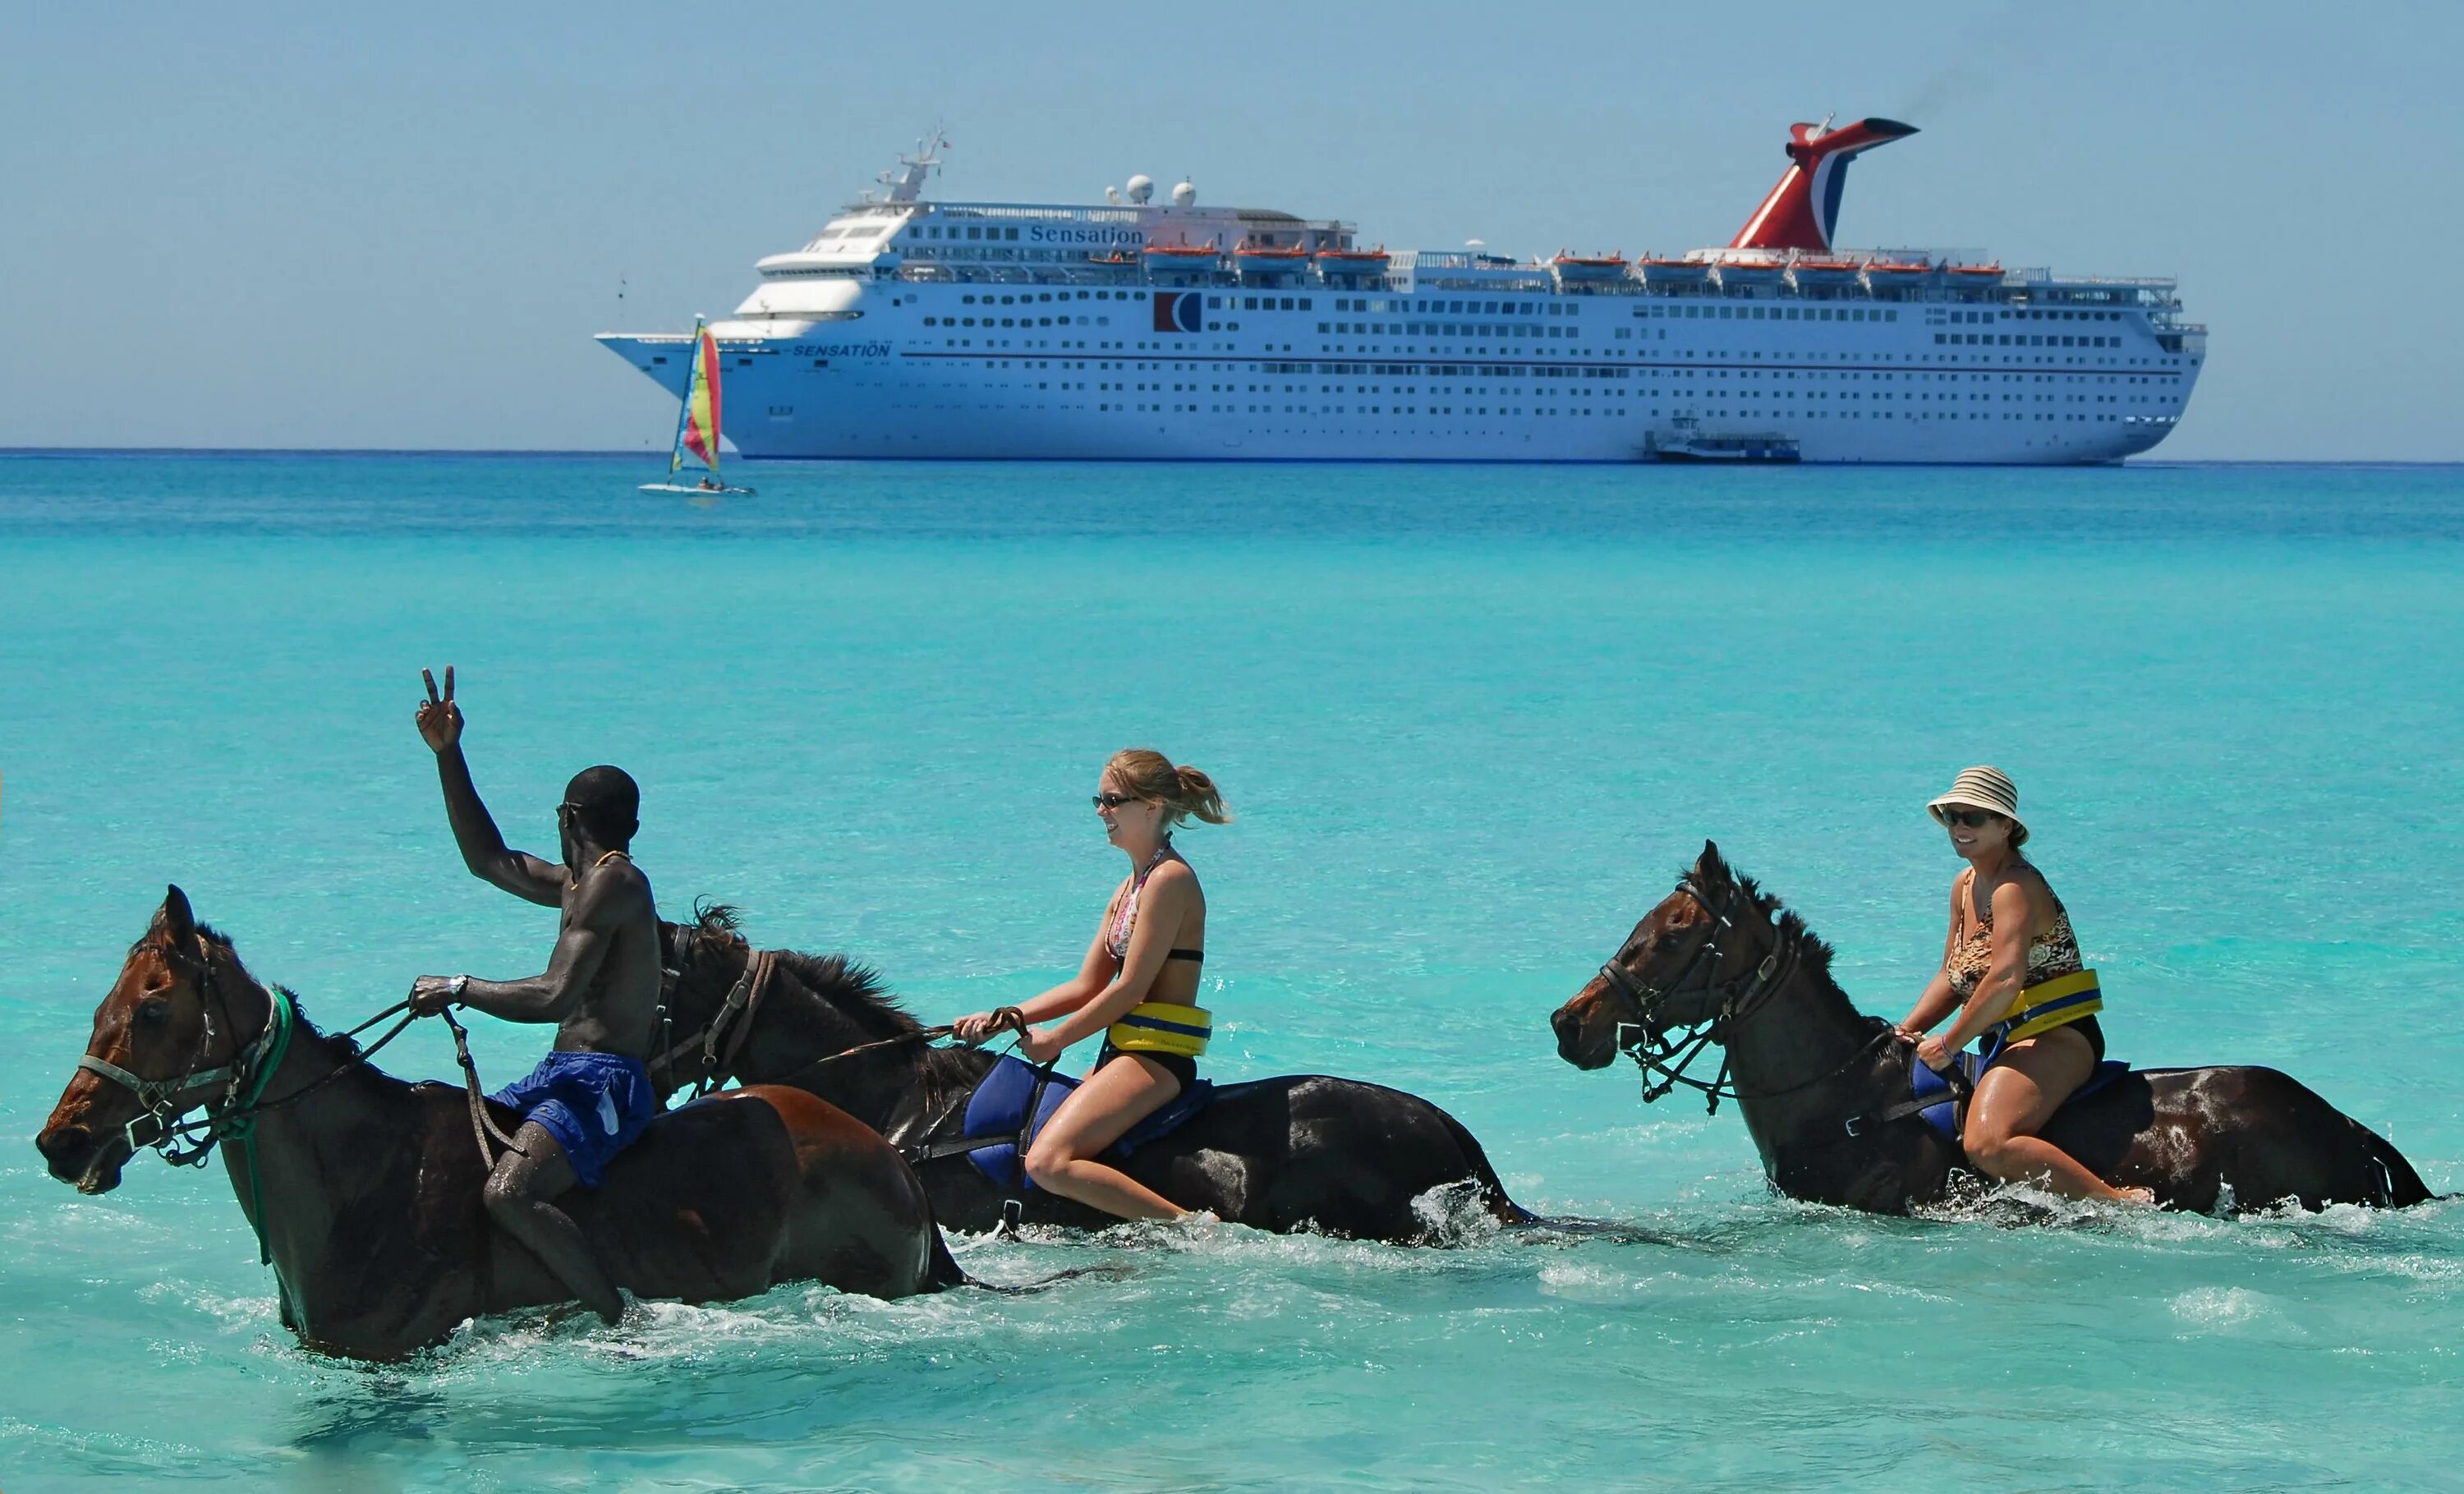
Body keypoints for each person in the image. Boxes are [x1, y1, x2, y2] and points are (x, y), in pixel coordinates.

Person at [405, 665, 666, 1323]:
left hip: (605, 1083)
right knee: (463, 1156)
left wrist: (459, 988)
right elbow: (488, 858)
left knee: (509, 1194)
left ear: (567, 816)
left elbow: (554, 996)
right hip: (560, 1074)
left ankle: (617, 1320)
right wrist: (449, 755)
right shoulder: (577, 883)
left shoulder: (615, 883)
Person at [951, 749, 1230, 1221]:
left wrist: (1055, 1039)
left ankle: (1196, 1231)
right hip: (1121, 1053)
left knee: (1048, 1161)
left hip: (1155, 1060)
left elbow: (1130, 990)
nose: (1101, 810)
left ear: (1151, 806)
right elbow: (1087, 985)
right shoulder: (1130, 887)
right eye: (1098, 800)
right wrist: (1006, 1019)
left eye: (1112, 800)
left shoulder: (1171, 880)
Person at [1895, 765, 2152, 1205]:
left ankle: (2118, 1203)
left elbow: (2005, 980)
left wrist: (1951, 1044)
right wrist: (1905, 1030)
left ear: (2007, 826)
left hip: (2057, 1034)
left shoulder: (2016, 886)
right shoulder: (1965, 884)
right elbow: (1952, 976)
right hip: (2005, 1038)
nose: (1959, 826)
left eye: (1974, 817)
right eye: (1952, 816)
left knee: (1988, 1143)